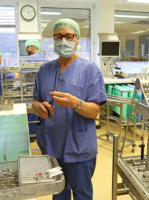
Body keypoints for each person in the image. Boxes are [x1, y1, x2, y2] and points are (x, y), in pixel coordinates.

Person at [32, 18, 107, 200]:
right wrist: (39, 108)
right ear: (54, 39)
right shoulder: (44, 70)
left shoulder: (90, 70)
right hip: (51, 145)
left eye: (68, 36)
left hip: (79, 148)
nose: (63, 40)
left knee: (81, 194)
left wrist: (76, 103)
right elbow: (34, 102)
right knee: (58, 193)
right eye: (59, 36)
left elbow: (94, 111)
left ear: (77, 40)